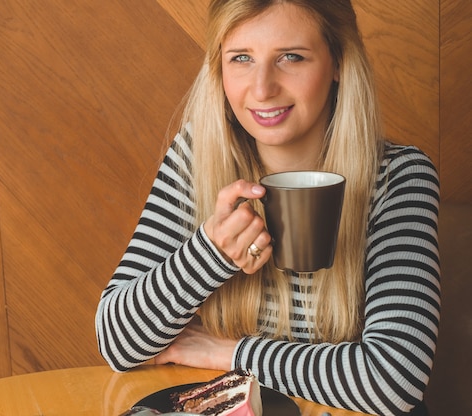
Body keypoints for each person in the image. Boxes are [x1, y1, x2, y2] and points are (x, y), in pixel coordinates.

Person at [95, 1, 440, 415]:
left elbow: (393, 379)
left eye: (291, 57)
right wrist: (209, 254)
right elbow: (117, 343)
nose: (262, 89)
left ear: (338, 63)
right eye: (241, 58)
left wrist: (228, 354)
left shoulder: (400, 176)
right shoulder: (197, 157)